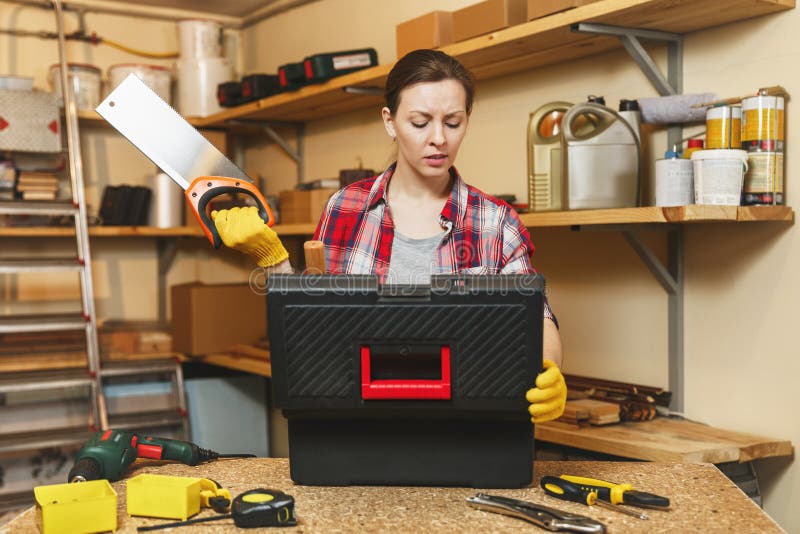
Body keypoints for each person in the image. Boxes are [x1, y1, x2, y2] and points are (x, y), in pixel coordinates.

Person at [211, 49, 566, 424]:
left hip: (467, 430)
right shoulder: (345, 208)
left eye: (453, 122)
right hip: (359, 429)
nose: (438, 139)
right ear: (390, 121)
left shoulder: (496, 223)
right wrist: (273, 260)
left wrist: (550, 370)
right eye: (419, 122)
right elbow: (311, 330)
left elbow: (536, 321)